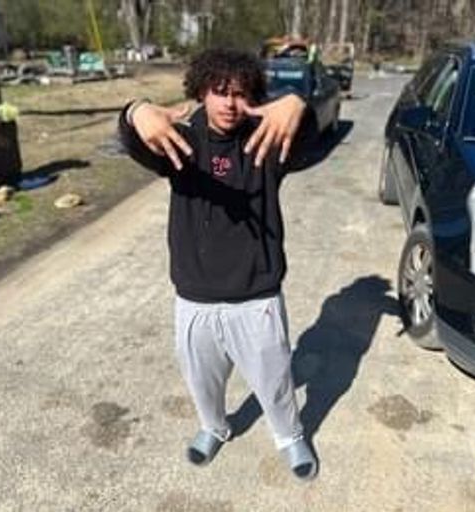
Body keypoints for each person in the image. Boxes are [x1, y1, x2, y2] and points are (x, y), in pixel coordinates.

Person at [118, 47, 318, 481]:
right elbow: (135, 140)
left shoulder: (265, 140)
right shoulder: (182, 142)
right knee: (202, 382)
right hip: (195, 297)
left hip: (257, 297)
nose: (229, 103)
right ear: (201, 92)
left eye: (240, 93)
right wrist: (135, 112)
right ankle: (214, 427)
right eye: (219, 91)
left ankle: (289, 435)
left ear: (254, 96)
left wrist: (299, 105)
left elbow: (307, 141)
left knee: (275, 381)